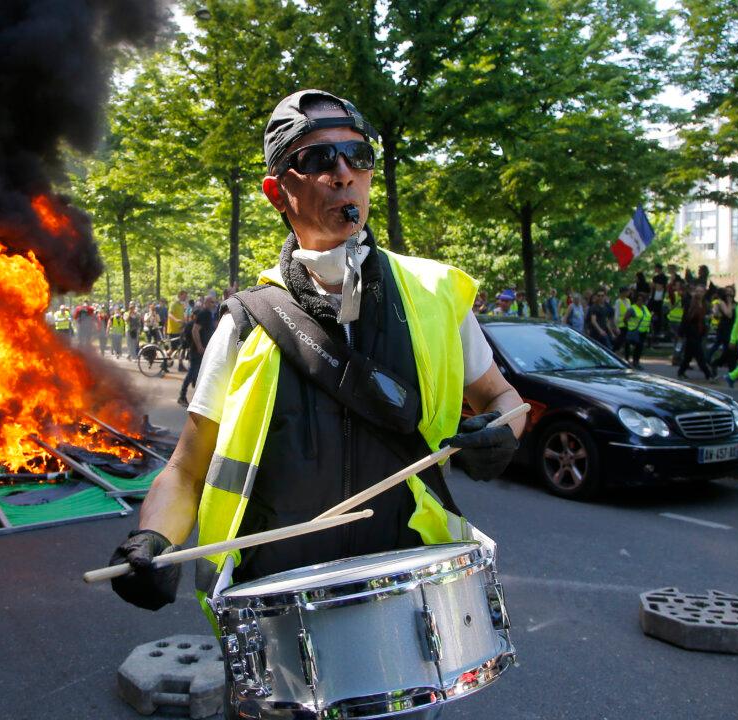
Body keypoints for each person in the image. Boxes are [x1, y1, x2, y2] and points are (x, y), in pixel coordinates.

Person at [105, 92, 524, 714]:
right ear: (279, 193)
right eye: (318, 158)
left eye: (357, 155)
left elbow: (501, 397)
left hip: (402, 607)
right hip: (276, 614)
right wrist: (151, 541)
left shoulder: (437, 294)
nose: (342, 171)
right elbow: (187, 469)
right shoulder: (246, 323)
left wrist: (504, 432)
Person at [176, 295, 216, 407]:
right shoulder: (204, 314)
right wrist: (199, 347)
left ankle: (201, 400)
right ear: (207, 302)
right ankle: (182, 396)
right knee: (192, 372)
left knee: (201, 373)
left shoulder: (210, 314)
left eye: (214, 302)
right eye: (212, 302)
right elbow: (195, 330)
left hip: (205, 350)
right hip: (198, 350)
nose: (214, 304)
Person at [677, 286, 715, 381]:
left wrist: (709, 316)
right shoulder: (690, 303)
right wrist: (681, 333)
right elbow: (685, 318)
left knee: (688, 354)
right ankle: (708, 374)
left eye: (701, 291)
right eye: (697, 291)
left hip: (700, 331)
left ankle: (681, 371)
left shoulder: (705, 304)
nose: (699, 293)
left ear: (704, 292)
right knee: (699, 354)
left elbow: (709, 315)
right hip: (691, 331)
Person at [706, 286, 736, 370]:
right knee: (728, 348)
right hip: (724, 328)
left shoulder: (736, 303)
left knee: (725, 348)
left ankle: (715, 362)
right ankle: (729, 368)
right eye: (728, 292)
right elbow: (729, 315)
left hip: (732, 327)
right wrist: (729, 303)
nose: (729, 294)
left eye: (731, 292)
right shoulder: (721, 302)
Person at [621, 290, 652, 369]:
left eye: (642, 300)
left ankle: (636, 362)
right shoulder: (632, 309)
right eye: (638, 300)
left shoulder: (645, 308)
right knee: (629, 345)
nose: (640, 301)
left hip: (643, 331)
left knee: (639, 347)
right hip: (633, 330)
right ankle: (627, 360)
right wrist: (629, 326)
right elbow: (625, 319)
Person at [650, 263, 668, 338]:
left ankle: (658, 329)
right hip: (654, 296)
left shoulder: (664, 277)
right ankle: (653, 327)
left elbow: (660, 287)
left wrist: (655, 285)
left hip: (659, 296)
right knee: (652, 311)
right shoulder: (655, 277)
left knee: (658, 312)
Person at [612, 286, 632, 352]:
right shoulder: (618, 301)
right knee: (619, 340)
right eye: (627, 291)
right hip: (620, 324)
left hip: (627, 323)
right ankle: (614, 351)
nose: (628, 293)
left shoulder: (628, 301)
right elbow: (616, 314)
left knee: (627, 341)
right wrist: (616, 326)